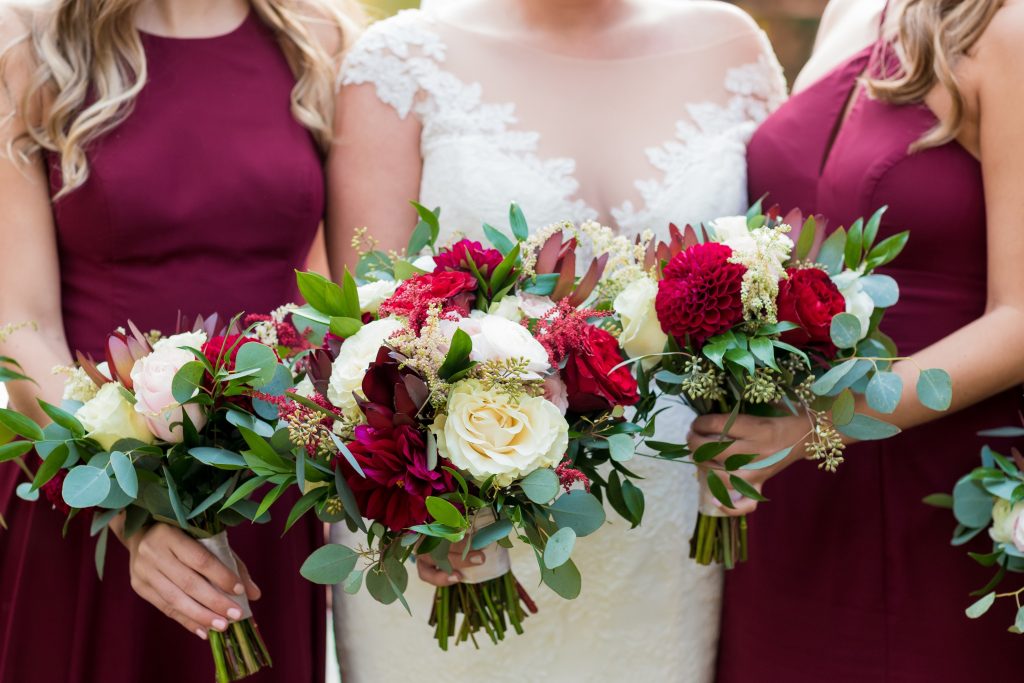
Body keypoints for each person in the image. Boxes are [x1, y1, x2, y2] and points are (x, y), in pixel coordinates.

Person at [324, 0, 786, 680]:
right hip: (468, 544)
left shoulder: (732, 47)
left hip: (668, 540)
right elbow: (369, 341)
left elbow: (773, 285)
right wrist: (441, 501)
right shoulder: (398, 62)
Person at [0, 0, 361, 680]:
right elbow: (22, 325)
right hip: (91, 492)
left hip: (267, 492)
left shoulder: (322, 43)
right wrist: (128, 510)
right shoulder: (31, 44)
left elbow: (350, 305)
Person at [686, 0, 1024, 680]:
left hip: (928, 494)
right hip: (789, 503)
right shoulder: (853, 7)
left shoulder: (1007, 27)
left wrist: (819, 423)